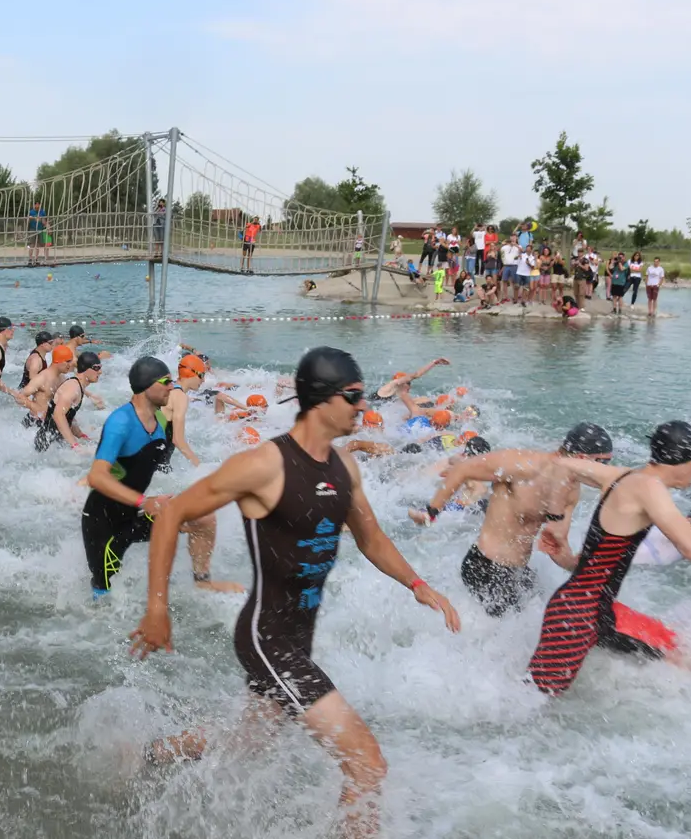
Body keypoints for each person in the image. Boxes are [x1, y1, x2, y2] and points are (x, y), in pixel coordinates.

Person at [129, 347, 460, 835]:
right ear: (322, 399)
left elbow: (370, 536)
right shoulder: (265, 465)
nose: (362, 406)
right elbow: (174, 512)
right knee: (368, 765)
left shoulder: (345, 467)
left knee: (245, 741)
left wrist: (417, 584)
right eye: (353, 396)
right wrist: (158, 609)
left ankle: (150, 755)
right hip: (269, 640)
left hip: (298, 636)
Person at [528, 421, 691, 696]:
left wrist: (555, 521)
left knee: (686, 656)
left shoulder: (622, 476)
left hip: (590, 610)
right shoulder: (650, 488)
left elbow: (563, 464)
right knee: (533, 701)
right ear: (681, 459)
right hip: (580, 616)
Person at [408, 424, 614, 617]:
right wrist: (431, 512)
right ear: (582, 458)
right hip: (484, 567)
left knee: (546, 608)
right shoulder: (523, 465)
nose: (607, 470)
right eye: (604, 463)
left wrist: (580, 567)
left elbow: (555, 545)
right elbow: (464, 469)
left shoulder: (570, 490)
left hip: (517, 570)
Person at [78, 357, 234, 598]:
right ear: (146, 385)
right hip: (104, 520)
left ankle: (202, 585)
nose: (172, 387)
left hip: (134, 510)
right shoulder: (121, 422)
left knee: (203, 519)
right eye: (166, 382)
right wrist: (144, 502)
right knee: (104, 596)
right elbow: (97, 477)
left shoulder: (159, 421)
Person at [33, 351, 102, 452]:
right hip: (46, 445)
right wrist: (75, 445)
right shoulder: (73, 387)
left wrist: (80, 435)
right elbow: (58, 415)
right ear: (85, 369)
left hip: (55, 443)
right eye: (96, 368)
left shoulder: (79, 386)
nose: (100, 371)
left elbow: (68, 416)